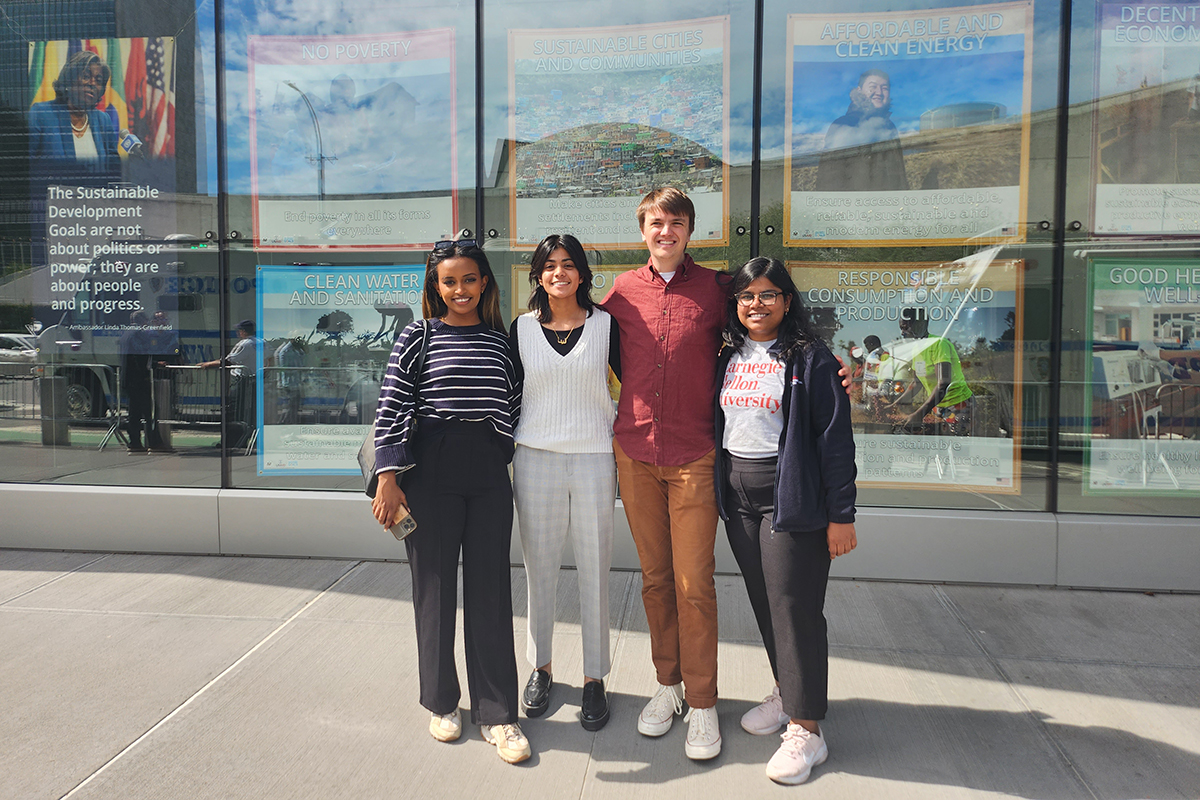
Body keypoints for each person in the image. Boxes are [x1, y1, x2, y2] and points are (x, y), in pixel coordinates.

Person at [370, 240, 529, 764]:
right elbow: (392, 401)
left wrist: (495, 447)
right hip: (428, 469)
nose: (459, 290)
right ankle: (442, 703)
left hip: (486, 470)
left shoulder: (499, 341)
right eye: (448, 281)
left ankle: (499, 712)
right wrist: (388, 478)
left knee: (490, 589)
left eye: (469, 279)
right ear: (434, 288)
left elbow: (513, 400)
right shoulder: (419, 335)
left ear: (485, 283)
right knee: (433, 588)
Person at [714, 257, 857, 785]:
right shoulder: (725, 352)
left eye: (769, 294)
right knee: (766, 601)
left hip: (789, 498)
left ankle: (807, 729)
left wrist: (842, 514)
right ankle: (787, 691)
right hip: (738, 496)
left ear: (788, 301)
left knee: (795, 608)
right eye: (747, 295)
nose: (757, 304)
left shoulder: (811, 358)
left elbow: (835, 442)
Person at [601, 187, 730, 759]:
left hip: (694, 454)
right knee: (655, 579)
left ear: (689, 231)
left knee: (693, 585)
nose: (666, 232)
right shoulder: (623, 291)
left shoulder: (717, 290)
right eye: (657, 223)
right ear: (643, 230)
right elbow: (584, 343)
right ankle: (667, 685)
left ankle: (703, 703)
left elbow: (770, 331)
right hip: (635, 453)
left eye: (676, 223)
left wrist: (830, 371)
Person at [509, 234, 621, 731]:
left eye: (569, 265)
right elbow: (509, 393)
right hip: (534, 457)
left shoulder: (606, 326)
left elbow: (639, 385)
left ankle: (595, 677)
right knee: (541, 570)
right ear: (538, 275)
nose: (560, 273)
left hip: (595, 456)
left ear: (582, 274)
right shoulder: (521, 329)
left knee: (596, 568)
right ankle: (541, 667)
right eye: (550, 265)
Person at [28, 50, 121, 184]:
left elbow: (113, 173)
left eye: (98, 80)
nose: (92, 83)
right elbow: (26, 168)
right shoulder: (42, 114)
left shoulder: (103, 120)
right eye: (86, 76)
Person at [814, 68, 907, 192]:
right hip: (855, 208)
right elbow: (828, 179)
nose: (879, 92)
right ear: (859, 91)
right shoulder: (843, 125)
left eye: (884, 88)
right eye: (873, 87)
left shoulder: (890, 127)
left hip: (888, 208)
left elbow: (900, 177)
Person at [888, 308, 974, 434]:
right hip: (937, 407)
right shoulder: (916, 349)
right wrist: (896, 404)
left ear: (920, 325)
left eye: (906, 328)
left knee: (958, 449)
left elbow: (943, 383)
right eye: (901, 328)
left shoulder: (939, 344)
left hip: (959, 406)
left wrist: (919, 414)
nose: (902, 333)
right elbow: (917, 383)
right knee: (938, 449)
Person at [199, 320, 261, 451]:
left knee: (234, 411)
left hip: (242, 382)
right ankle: (246, 439)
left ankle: (232, 441)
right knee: (249, 413)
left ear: (243, 331)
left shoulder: (245, 343)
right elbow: (270, 359)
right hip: (255, 381)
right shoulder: (261, 342)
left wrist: (207, 364)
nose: (238, 333)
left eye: (239, 330)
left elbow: (228, 361)